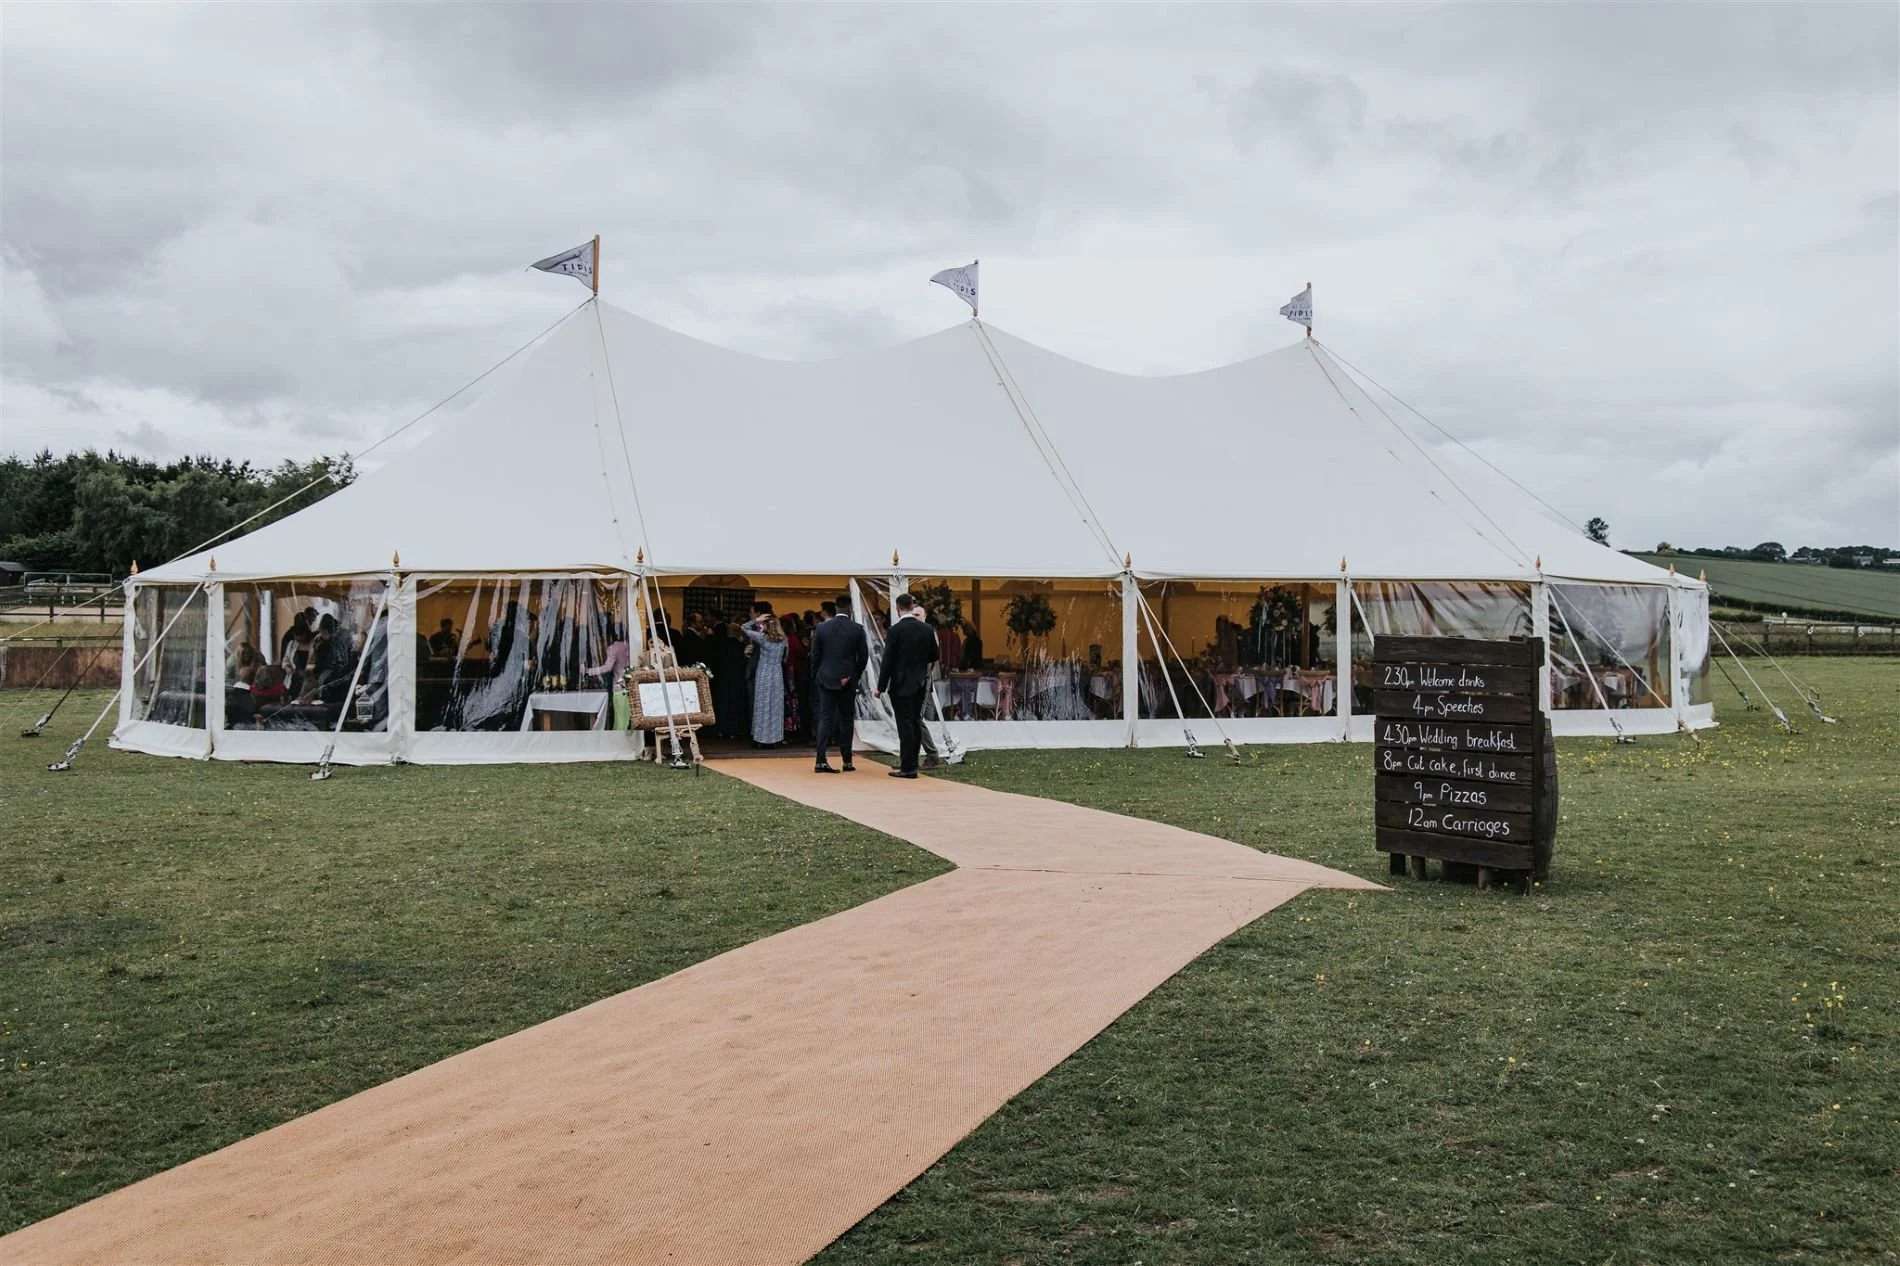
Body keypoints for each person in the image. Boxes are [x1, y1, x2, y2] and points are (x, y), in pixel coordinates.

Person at [875, 592, 941, 778]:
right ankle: (912, 763)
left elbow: (887, 661)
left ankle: (908, 767)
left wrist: (880, 687)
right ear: (912, 607)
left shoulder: (895, 631)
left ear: (897, 609)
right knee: (915, 722)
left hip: (901, 682)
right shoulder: (926, 629)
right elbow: (934, 656)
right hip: (920, 681)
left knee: (904, 725)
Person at [807, 594, 867, 773]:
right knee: (847, 719)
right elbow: (863, 657)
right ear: (849, 608)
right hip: (847, 679)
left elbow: (815, 655)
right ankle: (847, 760)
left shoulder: (822, 628)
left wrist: (815, 675)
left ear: (836, 607)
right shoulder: (857, 629)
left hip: (826, 676)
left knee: (825, 718)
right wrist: (854, 674)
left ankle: (820, 759)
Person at [740, 613, 789, 747]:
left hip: (764, 672)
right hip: (776, 673)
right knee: (776, 706)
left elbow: (743, 628)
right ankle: (774, 739)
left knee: (762, 706)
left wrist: (756, 620)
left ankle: (760, 738)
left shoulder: (762, 638)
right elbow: (785, 658)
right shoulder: (784, 639)